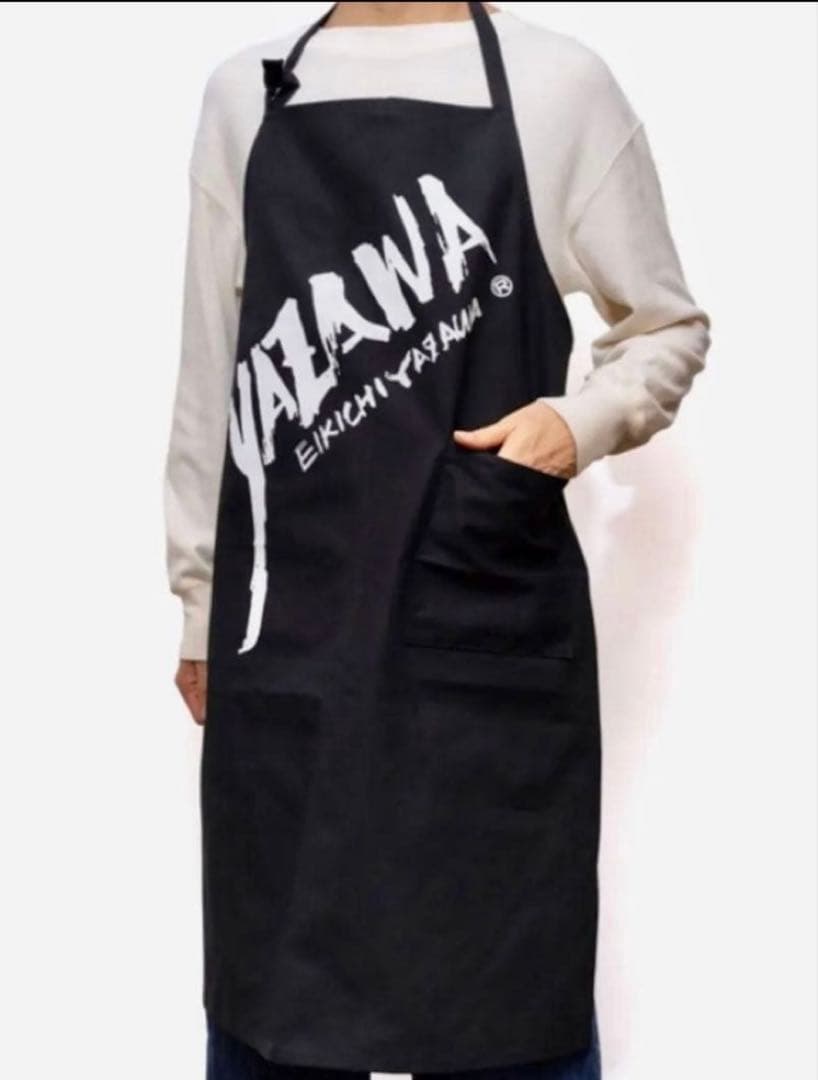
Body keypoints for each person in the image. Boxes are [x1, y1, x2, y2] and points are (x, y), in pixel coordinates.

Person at [162, 3, 712, 1079]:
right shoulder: (246, 92)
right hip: (292, 627)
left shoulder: (558, 86)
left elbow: (665, 325)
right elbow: (211, 372)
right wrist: (198, 599)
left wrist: (577, 424)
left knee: (506, 1006)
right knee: (277, 1006)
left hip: (482, 630)